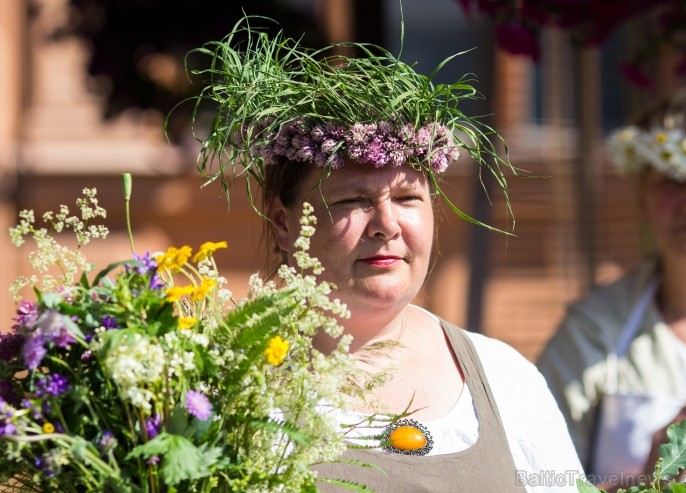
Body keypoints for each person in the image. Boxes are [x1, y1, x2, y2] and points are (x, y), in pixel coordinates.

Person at [187, 14, 583, 492]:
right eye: (352, 200)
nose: (387, 225)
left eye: (407, 198)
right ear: (282, 223)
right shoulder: (222, 386)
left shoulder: (504, 379)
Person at [537, 81, 686, 492]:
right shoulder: (592, 332)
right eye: (672, 179)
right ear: (642, 196)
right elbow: (535, 479)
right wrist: (649, 481)